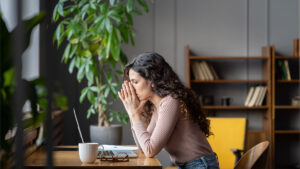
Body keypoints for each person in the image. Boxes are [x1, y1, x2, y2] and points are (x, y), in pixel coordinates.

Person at [118, 52, 219, 169]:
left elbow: (150, 150)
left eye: (135, 82)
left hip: (201, 165)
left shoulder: (170, 102)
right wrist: (133, 114)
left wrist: (134, 114)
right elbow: (143, 148)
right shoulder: (159, 106)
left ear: (152, 80)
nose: (132, 88)